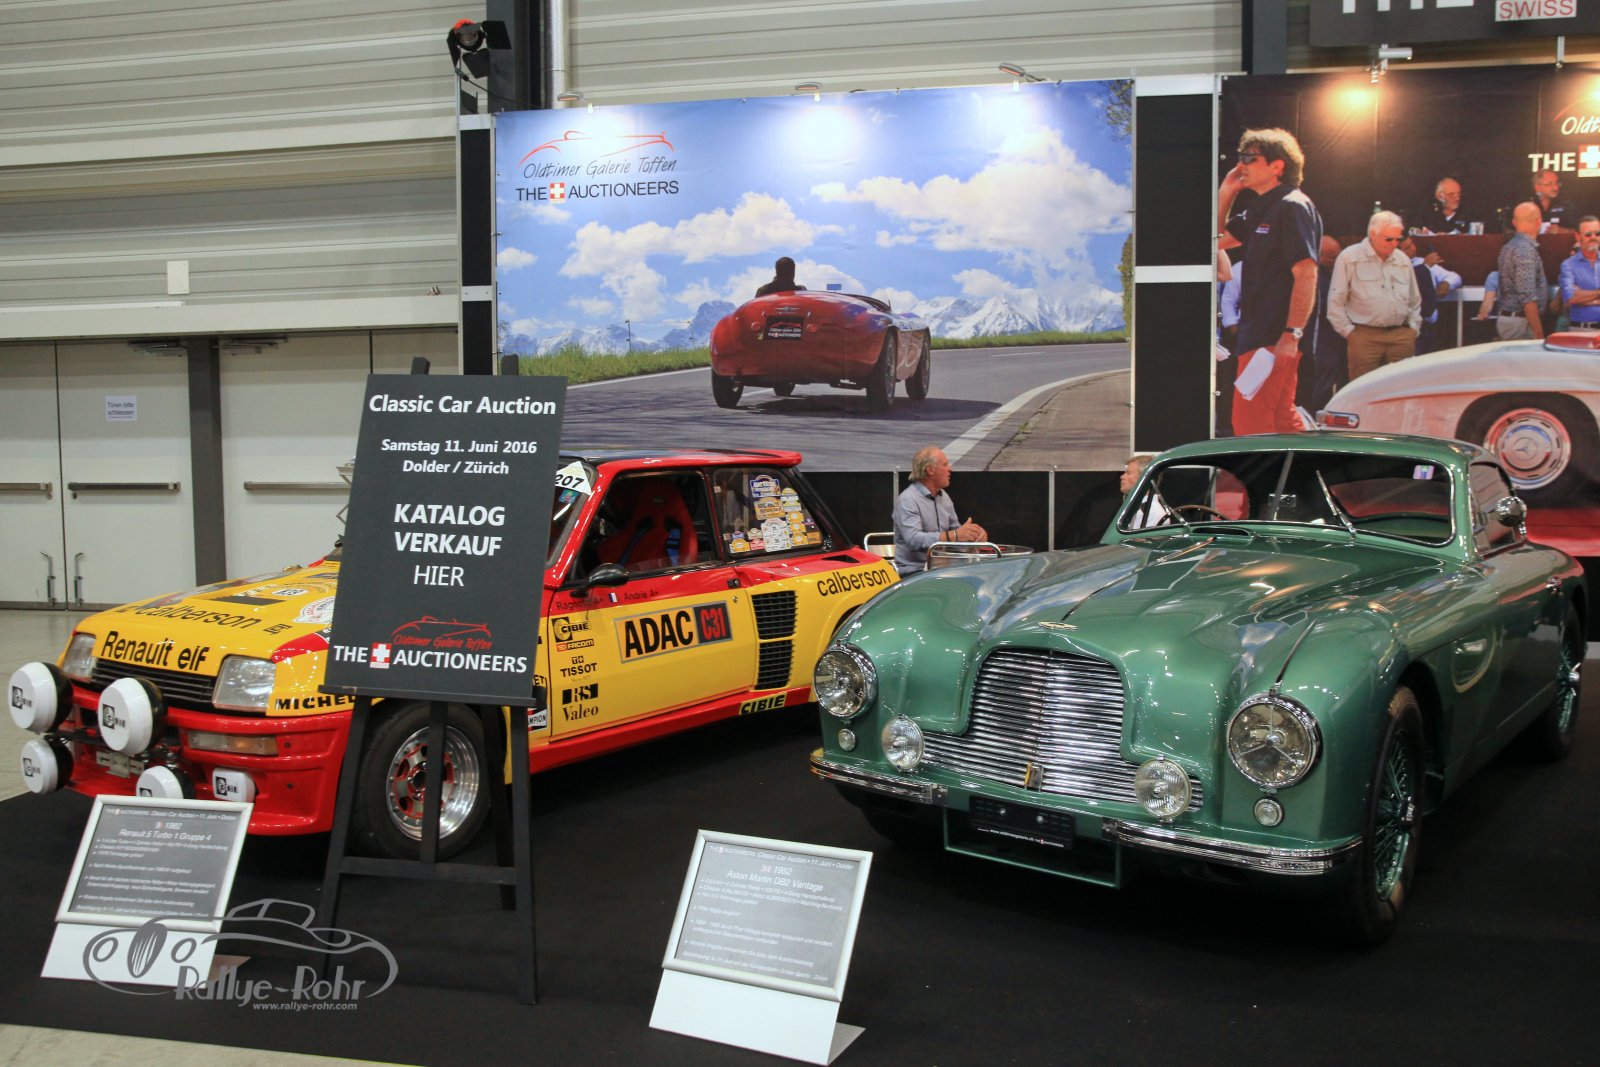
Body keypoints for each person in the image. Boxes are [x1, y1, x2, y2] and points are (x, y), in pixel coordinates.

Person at [1217, 127, 1322, 435]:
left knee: (1250, 424)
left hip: (1272, 338)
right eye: (1240, 157)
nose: (1241, 165)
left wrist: (1291, 335)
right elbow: (1215, 240)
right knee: (1281, 421)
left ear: (1277, 166)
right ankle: (1302, 467)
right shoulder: (1262, 207)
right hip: (1264, 336)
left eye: (1250, 158)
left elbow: (1307, 273)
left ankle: (1260, 472)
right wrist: (1226, 192)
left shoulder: (1292, 206)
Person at [1327, 210, 1422, 381]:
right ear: (1373, 234)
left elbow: (1414, 298)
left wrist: (1413, 328)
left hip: (1401, 335)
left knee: (1402, 388)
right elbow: (1335, 300)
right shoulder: (1349, 257)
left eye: (1398, 239)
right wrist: (1350, 333)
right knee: (1364, 388)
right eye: (1389, 239)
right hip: (1364, 336)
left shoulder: (1402, 259)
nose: (1394, 244)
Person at [892, 446, 985, 575]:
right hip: (914, 572)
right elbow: (914, 540)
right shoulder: (908, 500)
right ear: (930, 470)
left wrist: (973, 536)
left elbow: (956, 532)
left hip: (941, 569)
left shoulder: (944, 497)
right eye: (945, 465)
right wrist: (954, 535)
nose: (950, 469)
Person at [1400, 235, 1461, 354]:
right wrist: (1425, 267)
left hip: (1428, 326)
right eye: (1407, 248)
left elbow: (1454, 277)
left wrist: (1446, 283)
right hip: (1408, 325)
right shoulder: (1396, 268)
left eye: (1412, 244)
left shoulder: (1419, 261)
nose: (1413, 249)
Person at [1497, 202, 1548, 340]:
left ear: (1514, 222)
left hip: (1513, 320)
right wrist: (1539, 334)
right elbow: (1527, 297)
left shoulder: (1509, 246)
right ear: (1538, 221)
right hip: (1521, 324)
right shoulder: (1525, 250)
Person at [1308, 234, 1347, 414]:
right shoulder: (1313, 276)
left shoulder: (1341, 271)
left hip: (1342, 336)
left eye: (1339, 254)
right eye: (1332, 257)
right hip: (1322, 338)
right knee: (1322, 383)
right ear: (1319, 256)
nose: (1337, 260)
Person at [1559, 216, 1600, 328]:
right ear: (1577, 237)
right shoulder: (1568, 265)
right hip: (1581, 329)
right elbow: (1571, 297)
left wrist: (1583, 297)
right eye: (1588, 234)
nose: (1593, 237)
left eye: (1597, 233)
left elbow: (1577, 297)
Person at [1120, 454, 1172, 528]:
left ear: (1144, 478)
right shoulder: (1133, 508)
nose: (1122, 477)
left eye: (1128, 473)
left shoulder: (1155, 514)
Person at [1410, 177, 1475, 235]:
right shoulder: (1427, 211)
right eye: (1451, 194)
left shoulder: (1467, 212)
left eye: (1458, 194)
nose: (1457, 198)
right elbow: (1414, 232)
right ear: (1439, 196)